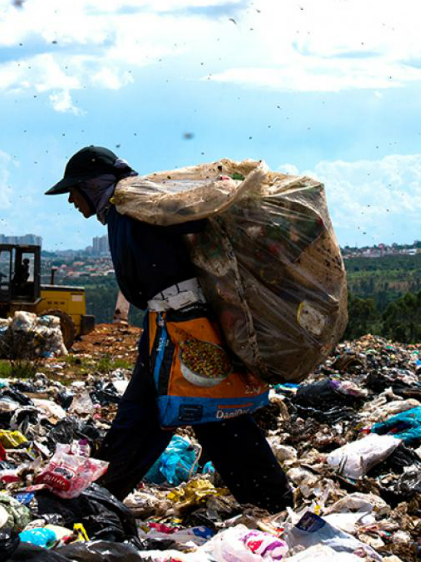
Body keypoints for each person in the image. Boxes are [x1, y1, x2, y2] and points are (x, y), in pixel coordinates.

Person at [46, 146, 292, 512]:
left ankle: (272, 500)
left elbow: (198, 223)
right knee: (153, 415)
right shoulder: (124, 209)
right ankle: (99, 499)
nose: (70, 200)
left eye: (73, 190)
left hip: (187, 327)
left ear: (93, 184)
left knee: (214, 416)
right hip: (166, 326)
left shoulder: (137, 204)